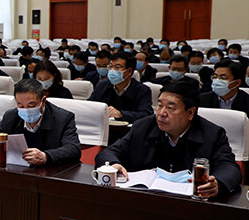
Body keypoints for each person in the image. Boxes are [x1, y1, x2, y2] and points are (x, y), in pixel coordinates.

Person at [96, 82, 241, 199]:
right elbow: (109, 153)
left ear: (190, 112)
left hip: (191, 206)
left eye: (170, 108)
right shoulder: (143, 127)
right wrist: (113, 165)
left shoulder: (212, 134)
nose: (161, 113)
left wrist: (217, 184)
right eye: (159, 106)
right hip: (145, 200)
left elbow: (229, 168)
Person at [0, 79, 81, 166]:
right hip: (20, 171)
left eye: (31, 105)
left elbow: (73, 149)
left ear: (43, 101)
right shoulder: (12, 116)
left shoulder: (63, 118)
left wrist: (46, 156)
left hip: (52, 172)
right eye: (21, 105)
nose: (26, 109)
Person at [88, 52, 153, 122]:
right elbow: (90, 106)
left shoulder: (142, 90)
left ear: (129, 71)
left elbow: (146, 114)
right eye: (110, 66)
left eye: (117, 67)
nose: (112, 70)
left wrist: (121, 114)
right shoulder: (102, 85)